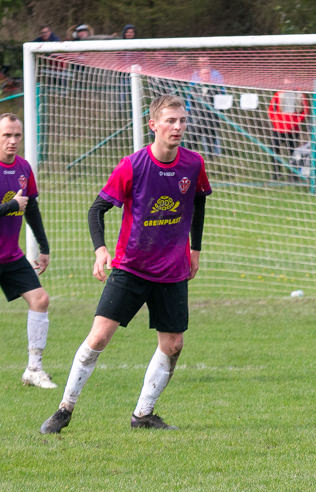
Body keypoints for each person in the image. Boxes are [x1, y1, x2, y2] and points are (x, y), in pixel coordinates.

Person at [40, 95, 212, 434]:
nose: (177, 127)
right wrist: (100, 250)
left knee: (174, 345)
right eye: (170, 121)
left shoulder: (193, 164)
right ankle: (64, 409)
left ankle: (143, 415)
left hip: (172, 270)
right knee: (100, 336)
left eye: (182, 121)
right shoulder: (132, 165)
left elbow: (199, 202)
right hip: (131, 267)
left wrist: (196, 249)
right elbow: (96, 210)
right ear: (153, 125)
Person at [0, 113, 55, 389]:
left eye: (16, 135)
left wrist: (43, 247)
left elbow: (30, 207)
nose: (13, 141)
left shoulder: (23, 168)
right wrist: (10, 207)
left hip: (10, 255)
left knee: (40, 300)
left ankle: (34, 369)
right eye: (6, 135)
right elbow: (17, 205)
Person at [267, 79, 308, 180]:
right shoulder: (279, 94)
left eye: (290, 84)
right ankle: (276, 172)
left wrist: (296, 121)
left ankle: (293, 174)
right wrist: (276, 122)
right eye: (286, 84)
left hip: (293, 130)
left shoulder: (299, 95)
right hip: (278, 129)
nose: (288, 86)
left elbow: (305, 111)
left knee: (293, 152)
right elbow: (271, 110)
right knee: (273, 149)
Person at [187, 56, 225, 156]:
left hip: (211, 118)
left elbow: (222, 99)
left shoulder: (216, 87)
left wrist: (220, 112)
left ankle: (212, 158)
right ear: (200, 75)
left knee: (211, 139)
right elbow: (190, 99)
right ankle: (187, 156)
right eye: (204, 74)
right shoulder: (194, 86)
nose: (206, 76)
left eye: (208, 74)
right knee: (193, 139)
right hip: (197, 118)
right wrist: (189, 110)